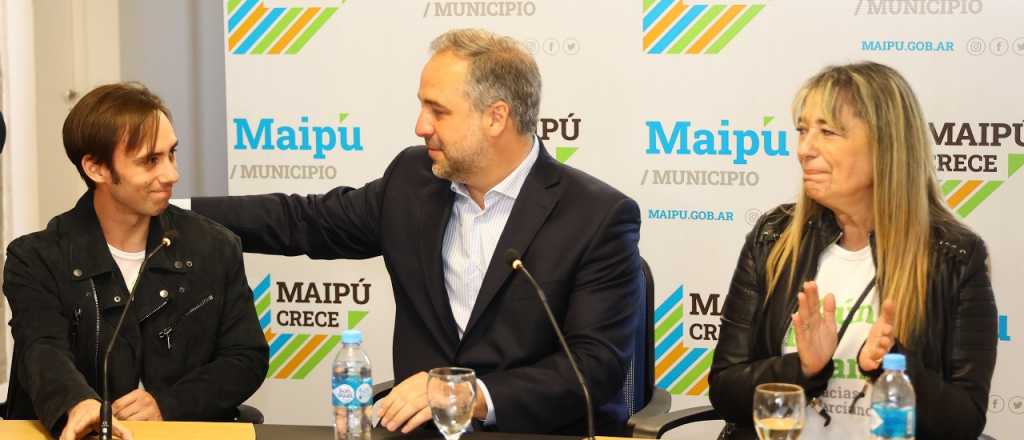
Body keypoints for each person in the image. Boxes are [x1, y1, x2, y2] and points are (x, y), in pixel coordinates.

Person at [190, 28, 642, 436]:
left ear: (496, 117)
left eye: (438, 111)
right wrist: (169, 209)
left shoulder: (597, 216)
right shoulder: (413, 180)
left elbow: (592, 368)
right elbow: (303, 221)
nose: (421, 125)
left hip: (539, 433)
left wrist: (467, 396)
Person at [709, 62, 998, 439]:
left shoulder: (954, 256)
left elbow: (964, 423)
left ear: (885, 145)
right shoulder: (773, 239)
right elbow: (726, 390)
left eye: (827, 132)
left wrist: (893, 366)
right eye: (802, 130)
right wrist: (802, 369)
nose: (804, 149)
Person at [2, 83, 269, 439]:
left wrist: (168, 405)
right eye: (150, 161)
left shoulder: (214, 247)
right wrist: (78, 404)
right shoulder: (34, 259)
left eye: (172, 154)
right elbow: (42, 348)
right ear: (96, 168)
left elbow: (244, 358)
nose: (172, 174)